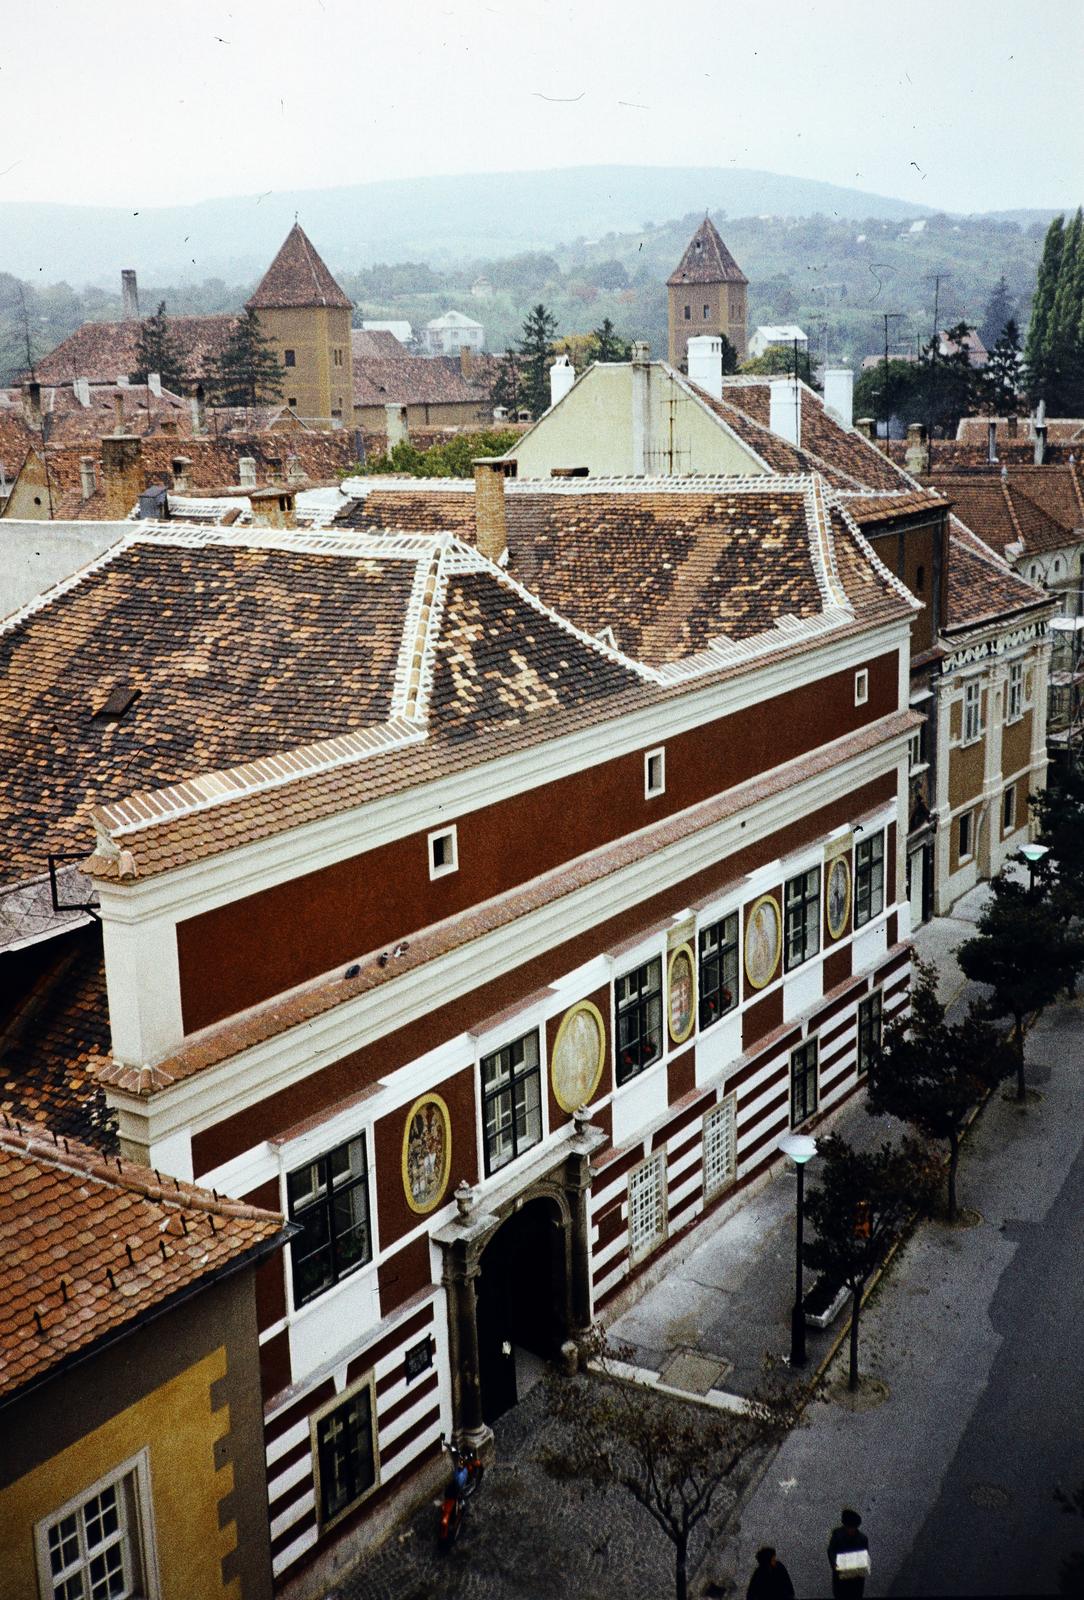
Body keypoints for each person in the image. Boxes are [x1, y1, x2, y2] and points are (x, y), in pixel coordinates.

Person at [827, 1508, 871, 1598]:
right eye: (849, 1527)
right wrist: (835, 1563)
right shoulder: (837, 1535)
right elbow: (831, 1550)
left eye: (852, 1528)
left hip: (855, 1578)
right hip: (841, 1575)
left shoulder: (862, 1539)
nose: (851, 1530)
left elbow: (864, 1557)